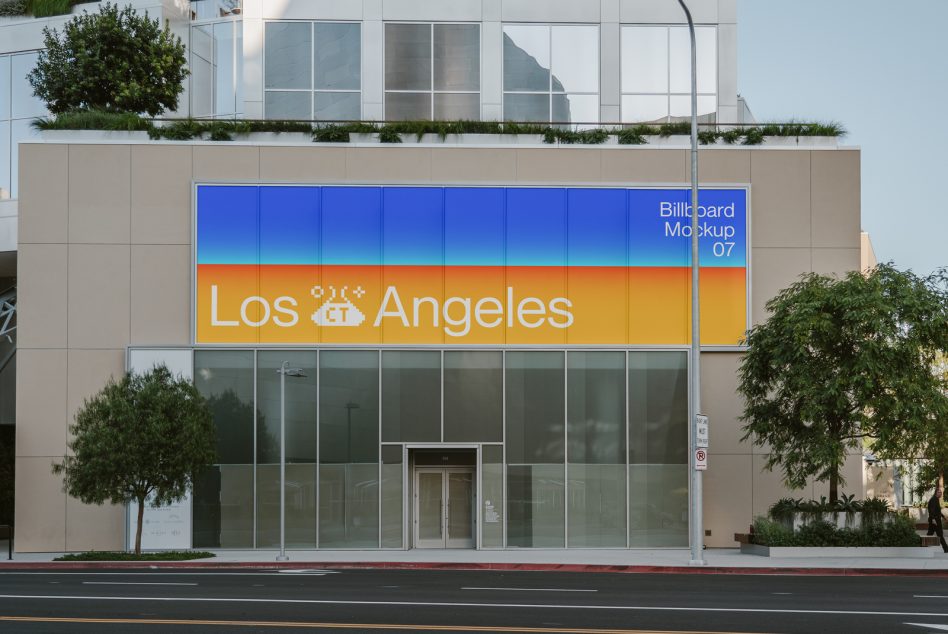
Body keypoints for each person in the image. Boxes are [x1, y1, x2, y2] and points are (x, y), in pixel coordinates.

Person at [928, 487, 948, 553]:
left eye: (941, 492)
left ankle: (922, 547)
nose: (941, 494)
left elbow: (937, 511)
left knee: (930, 534)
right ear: (936, 493)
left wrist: (943, 517)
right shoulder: (934, 500)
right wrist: (933, 519)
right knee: (940, 534)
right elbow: (932, 510)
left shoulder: (935, 499)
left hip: (935, 520)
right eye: (939, 492)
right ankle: (946, 549)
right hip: (935, 520)